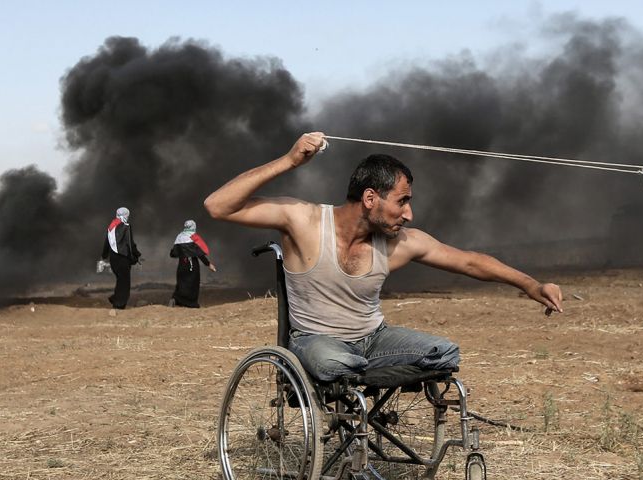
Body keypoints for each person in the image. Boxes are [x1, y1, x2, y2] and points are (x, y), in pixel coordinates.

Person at [204, 132, 563, 382]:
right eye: (402, 201)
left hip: (374, 340)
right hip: (316, 341)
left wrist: (530, 284)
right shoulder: (305, 220)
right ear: (371, 198)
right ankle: (362, 376)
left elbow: (469, 261)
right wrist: (289, 160)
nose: (408, 214)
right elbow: (217, 206)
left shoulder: (398, 243)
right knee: (334, 363)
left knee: (444, 354)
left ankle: (364, 375)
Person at [100, 207, 141, 310]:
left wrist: (104, 256)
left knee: (120, 280)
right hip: (123, 258)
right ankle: (118, 304)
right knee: (125, 282)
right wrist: (136, 255)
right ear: (126, 214)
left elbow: (107, 243)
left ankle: (115, 298)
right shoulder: (126, 226)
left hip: (113, 259)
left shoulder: (111, 227)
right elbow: (130, 244)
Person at [169, 219, 216, 308]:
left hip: (182, 264)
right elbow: (200, 254)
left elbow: (173, 253)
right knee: (192, 283)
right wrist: (208, 264)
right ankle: (191, 304)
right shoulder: (194, 237)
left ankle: (176, 299)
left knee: (181, 283)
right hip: (192, 265)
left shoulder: (179, 236)